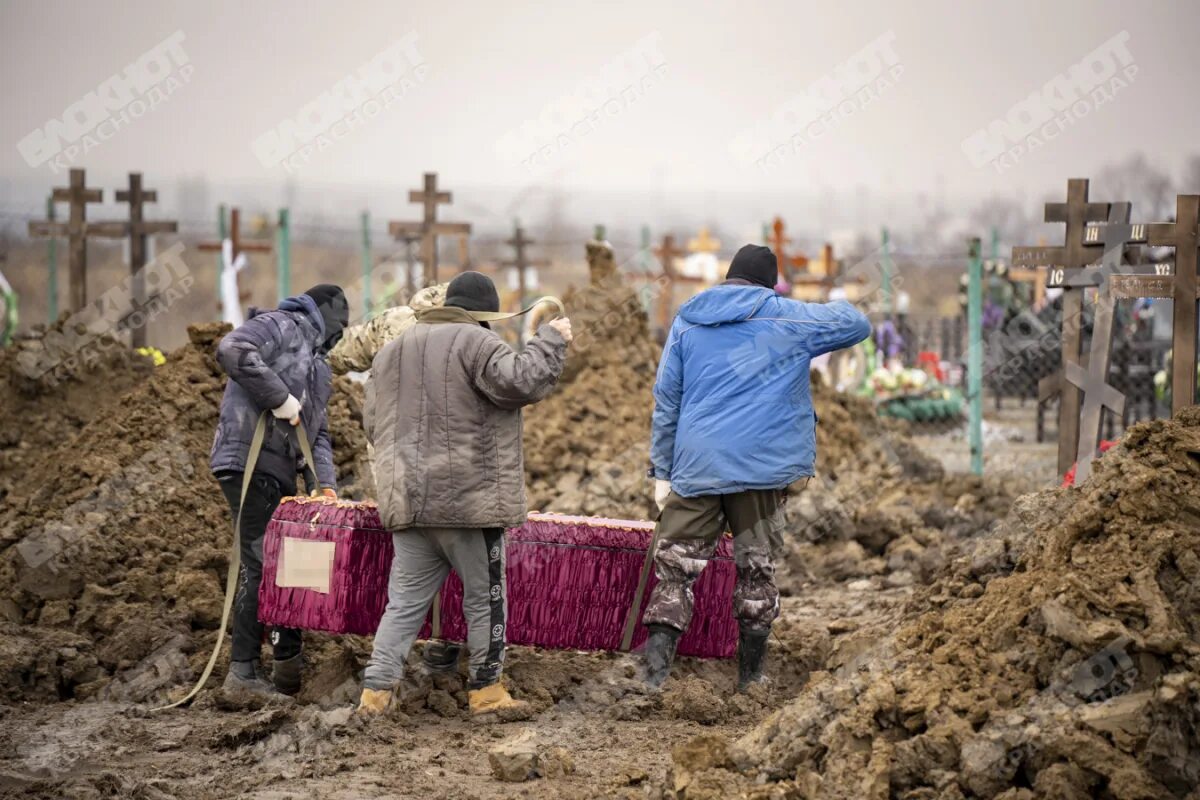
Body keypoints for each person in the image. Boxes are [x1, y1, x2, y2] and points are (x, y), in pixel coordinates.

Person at [641, 245, 870, 690]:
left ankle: (653, 679)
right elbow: (856, 324)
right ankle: (751, 679)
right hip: (760, 472)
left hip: (697, 466)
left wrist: (662, 472)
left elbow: (667, 399)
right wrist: (829, 298)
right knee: (756, 572)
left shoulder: (688, 319)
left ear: (728, 278)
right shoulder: (785, 317)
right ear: (768, 285)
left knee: (675, 570)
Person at [357, 271, 571, 717]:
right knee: (485, 598)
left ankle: (375, 694)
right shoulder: (478, 342)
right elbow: (520, 383)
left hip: (410, 504)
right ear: (482, 315)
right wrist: (550, 340)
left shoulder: (392, 351)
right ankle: (487, 692)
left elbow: (372, 422)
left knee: (403, 604)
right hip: (469, 507)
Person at [210, 283, 349, 697]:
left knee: (288, 566)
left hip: (281, 472)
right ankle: (242, 674)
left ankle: (286, 665)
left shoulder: (319, 366)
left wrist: (324, 485)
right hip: (247, 461)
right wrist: (278, 396)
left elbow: (317, 432)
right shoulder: (279, 325)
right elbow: (232, 349)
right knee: (261, 563)